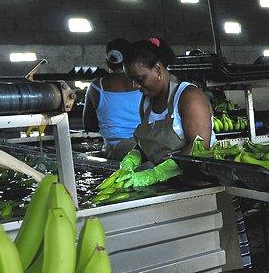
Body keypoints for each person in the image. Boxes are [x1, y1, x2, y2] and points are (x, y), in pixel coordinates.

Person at [110, 37, 215, 186]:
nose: (135, 86)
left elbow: (199, 147)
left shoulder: (189, 97)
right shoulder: (146, 102)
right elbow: (150, 143)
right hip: (169, 185)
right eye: (132, 80)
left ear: (158, 69)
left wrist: (156, 174)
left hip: (199, 183)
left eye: (139, 79)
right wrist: (133, 157)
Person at [82, 38, 141, 159]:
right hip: (139, 148)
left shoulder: (96, 86)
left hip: (110, 148)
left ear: (108, 60)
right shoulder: (141, 82)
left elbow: (88, 124)